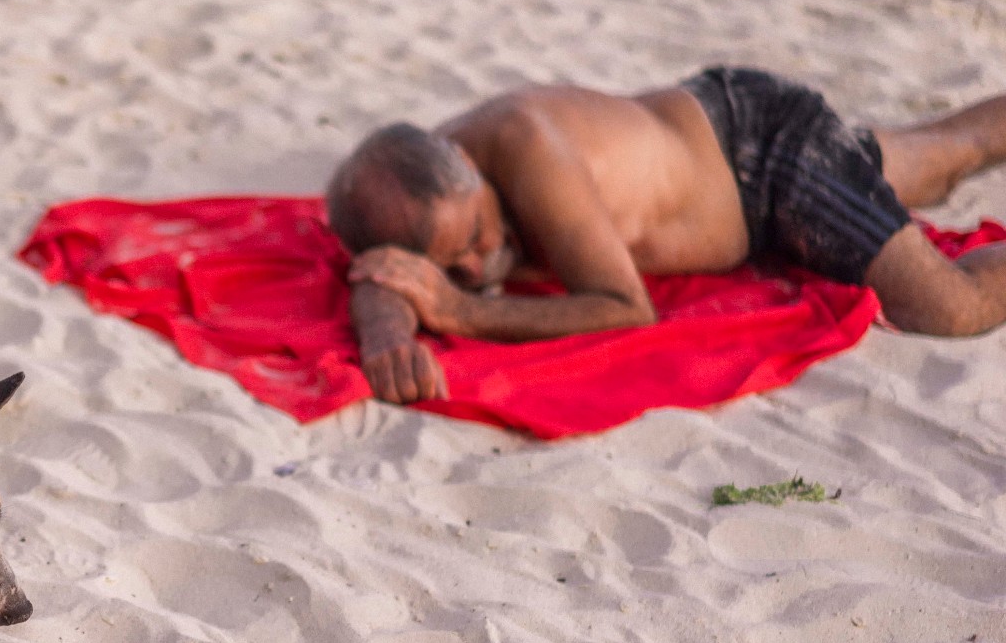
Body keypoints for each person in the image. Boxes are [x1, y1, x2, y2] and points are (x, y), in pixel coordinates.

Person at [328, 67, 1006, 404]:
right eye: (456, 268)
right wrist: (387, 325)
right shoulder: (424, 182)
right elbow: (383, 267)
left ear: (468, 165)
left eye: (477, 233)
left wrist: (462, 310)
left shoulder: (526, 146)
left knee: (947, 306)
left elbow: (625, 307)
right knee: (948, 155)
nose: (480, 261)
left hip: (766, 156)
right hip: (714, 138)